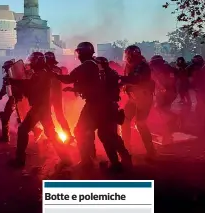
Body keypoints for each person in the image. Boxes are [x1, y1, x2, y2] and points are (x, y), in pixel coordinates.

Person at [56, 43, 131, 172]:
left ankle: (87, 162)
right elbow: (93, 85)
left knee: (80, 131)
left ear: (82, 53)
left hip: (96, 106)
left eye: (78, 52)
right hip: (108, 105)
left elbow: (69, 78)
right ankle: (122, 160)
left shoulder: (88, 64)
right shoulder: (98, 65)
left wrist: (53, 74)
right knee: (108, 135)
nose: (77, 55)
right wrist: (74, 88)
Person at [8, 52, 70, 167]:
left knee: (23, 130)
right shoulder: (42, 73)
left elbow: (29, 86)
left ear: (36, 62)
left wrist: (14, 81)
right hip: (43, 108)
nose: (30, 63)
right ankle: (66, 158)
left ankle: (19, 160)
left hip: (39, 108)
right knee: (50, 133)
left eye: (32, 61)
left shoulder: (40, 74)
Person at [120, 45, 156, 159]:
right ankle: (126, 149)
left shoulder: (143, 66)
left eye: (128, 55)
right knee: (124, 121)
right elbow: (126, 81)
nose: (126, 57)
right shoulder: (128, 66)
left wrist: (120, 79)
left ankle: (151, 151)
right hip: (133, 98)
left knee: (140, 123)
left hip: (144, 98)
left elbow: (136, 80)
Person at [44, 51, 74, 143]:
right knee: (58, 116)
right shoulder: (56, 69)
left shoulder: (48, 71)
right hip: (54, 96)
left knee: (47, 116)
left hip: (50, 97)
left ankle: (53, 136)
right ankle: (66, 135)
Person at [149, 55, 178, 144]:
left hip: (163, 92)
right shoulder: (168, 67)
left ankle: (169, 129)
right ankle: (168, 134)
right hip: (172, 92)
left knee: (160, 109)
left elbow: (156, 79)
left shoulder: (156, 69)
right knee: (164, 109)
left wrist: (162, 88)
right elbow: (175, 75)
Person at [0, 60, 22, 142]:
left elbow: (5, 88)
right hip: (21, 99)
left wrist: (0, 95)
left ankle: (5, 137)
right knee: (22, 117)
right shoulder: (19, 76)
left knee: (5, 117)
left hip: (13, 99)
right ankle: (35, 130)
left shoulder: (8, 77)